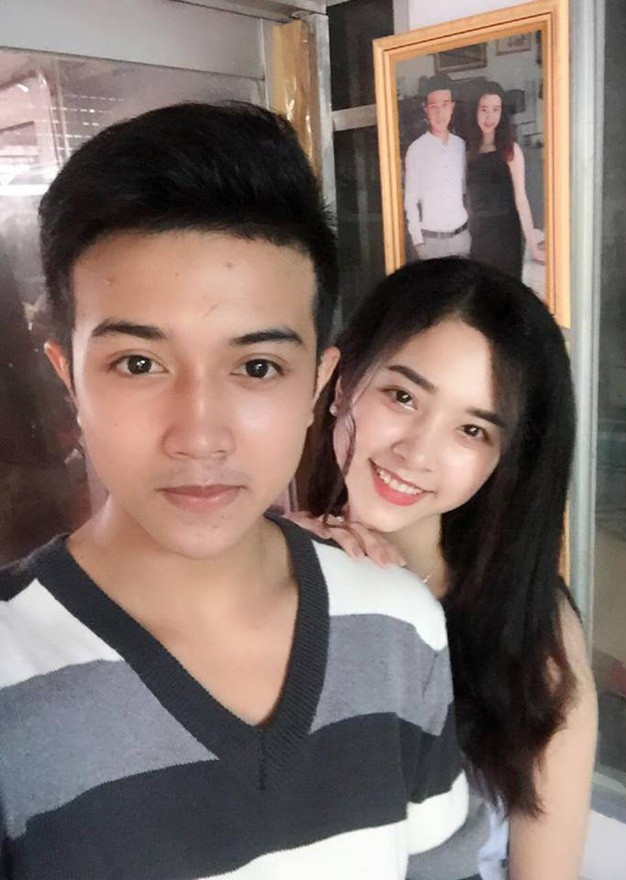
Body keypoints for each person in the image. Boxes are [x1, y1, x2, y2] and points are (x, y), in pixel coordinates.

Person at [0, 104, 468, 879]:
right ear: (69, 379)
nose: (200, 436)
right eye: (138, 364)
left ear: (316, 385)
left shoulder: (398, 626)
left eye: (256, 367)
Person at [290, 258, 598, 880]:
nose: (417, 452)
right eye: (402, 397)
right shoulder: (266, 571)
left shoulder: (531, 632)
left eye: (472, 430)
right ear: (341, 384)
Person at [466, 82, 545, 279]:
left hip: (506, 234)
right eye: (484, 109)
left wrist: (533, 246)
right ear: (476, 111)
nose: (489, 116)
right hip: (479, 235)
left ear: (502, 114)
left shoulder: (511, 150)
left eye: (496, 109)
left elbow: (521, 198)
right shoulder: (469, 151)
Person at [404, 74, 470, 260]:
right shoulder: (416, 150)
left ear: (452, 107)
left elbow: (466, 191)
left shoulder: (461, 146)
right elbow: (410, 201)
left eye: (445, 105)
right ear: (426, 110)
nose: (440, 113)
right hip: (431, 243)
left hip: (462, 238)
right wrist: (418, 242)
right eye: (434, 107)